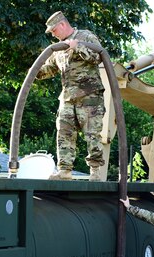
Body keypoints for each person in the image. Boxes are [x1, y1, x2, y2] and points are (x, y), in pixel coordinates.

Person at [37, 11, 105, 181]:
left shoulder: (85, 36)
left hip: (89, 96)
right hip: (67, 97)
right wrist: (34, 71)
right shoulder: (58, 49)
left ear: (62, 25)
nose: (53, 34)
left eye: (54, 30)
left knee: (92, 134)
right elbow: (49, 69)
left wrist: (77, 47)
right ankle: (64, 171)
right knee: (64, 132)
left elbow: (98, 57)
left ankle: (95, 172)